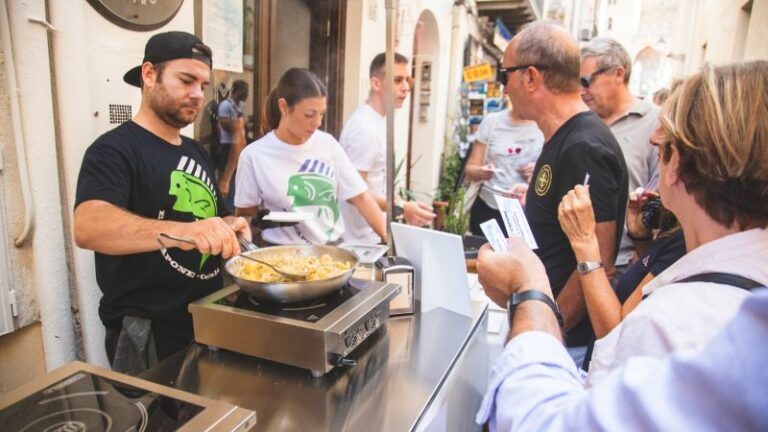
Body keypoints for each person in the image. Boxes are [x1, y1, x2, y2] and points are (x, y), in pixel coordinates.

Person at [475, 61, 768, 430]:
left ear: (675, 164)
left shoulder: (668, 323)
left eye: (662, 145)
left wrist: (530, 290)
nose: (651, 143)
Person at [74, 31, 250, 374]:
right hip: (152, 334)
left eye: (203, 84)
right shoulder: (113, 149)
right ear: (149, 74)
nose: (198, 94)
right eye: (186, 80)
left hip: (210, 319)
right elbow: (89, 225)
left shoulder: (196, 151)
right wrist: (185, 232)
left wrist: (229, 226)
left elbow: (211, 215)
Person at [497, 22, 628, 349]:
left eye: (504, 76)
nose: (503, 89)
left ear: (530, 77)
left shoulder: (583, 146)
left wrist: (545, 334)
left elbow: (598, 262)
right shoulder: (562, 137)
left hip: (561, 344)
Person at [235, 68, 386, 245]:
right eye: (309, 115)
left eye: (321, 114)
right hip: (279, 256)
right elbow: (244, 217)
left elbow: (360, 197)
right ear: (283, 107)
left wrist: (387, 239)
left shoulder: (328, 145)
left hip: (329, 254)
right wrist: (256, 223)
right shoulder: (254, 155)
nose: (317, 122)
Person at [580, 38, 660, 281]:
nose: (582, 90)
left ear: (618, 73)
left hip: (626, 267)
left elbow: (663, 200)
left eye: (587, 81)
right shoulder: (582, 122)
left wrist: (645, 255)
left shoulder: (655, 125)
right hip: (580, 260)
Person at [339, 52, 435, 245]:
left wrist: (399, 206)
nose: (406, 87)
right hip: (359, 241)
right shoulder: (364, 129)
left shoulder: (377, 121)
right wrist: (401, 206)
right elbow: (352, 192)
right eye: (398, 80)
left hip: (371, 234)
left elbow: (378, 178)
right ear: (376, 84)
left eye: (407, 80)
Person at [463, 104, 543, 235]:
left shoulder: (545, 123)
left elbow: (557, 170)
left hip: (527, 211)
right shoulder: (492, 122)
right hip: (489, 207)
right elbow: (470, 169)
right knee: (483, 253)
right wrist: (481, 172)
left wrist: (538, 171)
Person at [216, 79, 249, 211]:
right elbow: (225, 125)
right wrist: (238, 125)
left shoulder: (238, 107)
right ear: (237, 90)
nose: (247, 94)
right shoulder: (225, 105)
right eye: (244, 91)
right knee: (226, 182)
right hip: (228, 147)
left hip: (238, 147)